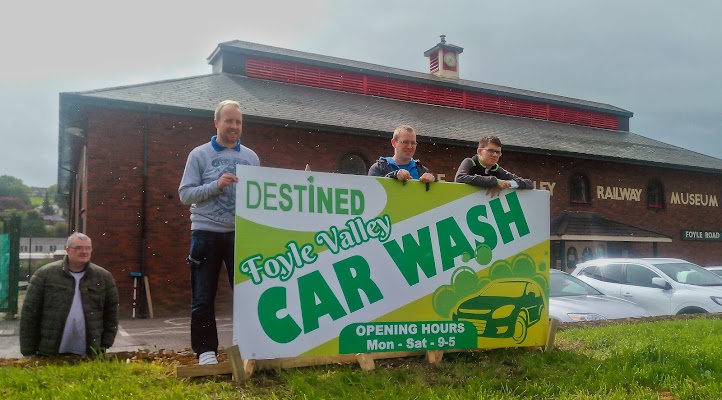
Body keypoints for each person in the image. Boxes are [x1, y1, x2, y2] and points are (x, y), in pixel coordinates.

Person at [178, 99, 260, 365]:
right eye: (229, 121)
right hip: (206, 233)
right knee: (203, 295)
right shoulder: (198, 154)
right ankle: (205, 352)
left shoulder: (251, 157)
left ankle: (248, 346)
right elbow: (185, 194)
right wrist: (215, 185)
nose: (234, 126)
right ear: (216, 123)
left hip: (241, 235)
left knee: (248, 294)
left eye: (238, 122)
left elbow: (259, 196)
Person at [19, 233, 119, 357]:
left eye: (88, 248)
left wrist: (105, 343)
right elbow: (29, 314)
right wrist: (28, 351)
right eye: (78, 248)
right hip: (50, 351)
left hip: (90, 352)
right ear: (67, 250)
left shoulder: (104, 277)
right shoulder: (44, 275)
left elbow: (112, 313)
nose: (84, 251)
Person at [455, 135, 533, 198]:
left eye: (498, 152)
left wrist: (508, 183)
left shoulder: (497, 169)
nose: (495, 155)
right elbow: (460, 178)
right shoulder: (470, 162)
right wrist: (494, 182)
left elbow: (529, 183)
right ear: (479, 151)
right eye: (491, 151)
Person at [368, 124, 435, 183]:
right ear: (394, 143)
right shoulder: (378, 169)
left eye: (413, 143)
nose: (409, 146)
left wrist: (433, 183)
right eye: (405, 142)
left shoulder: (423, 171)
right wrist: (392, 177)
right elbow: (371, 193)